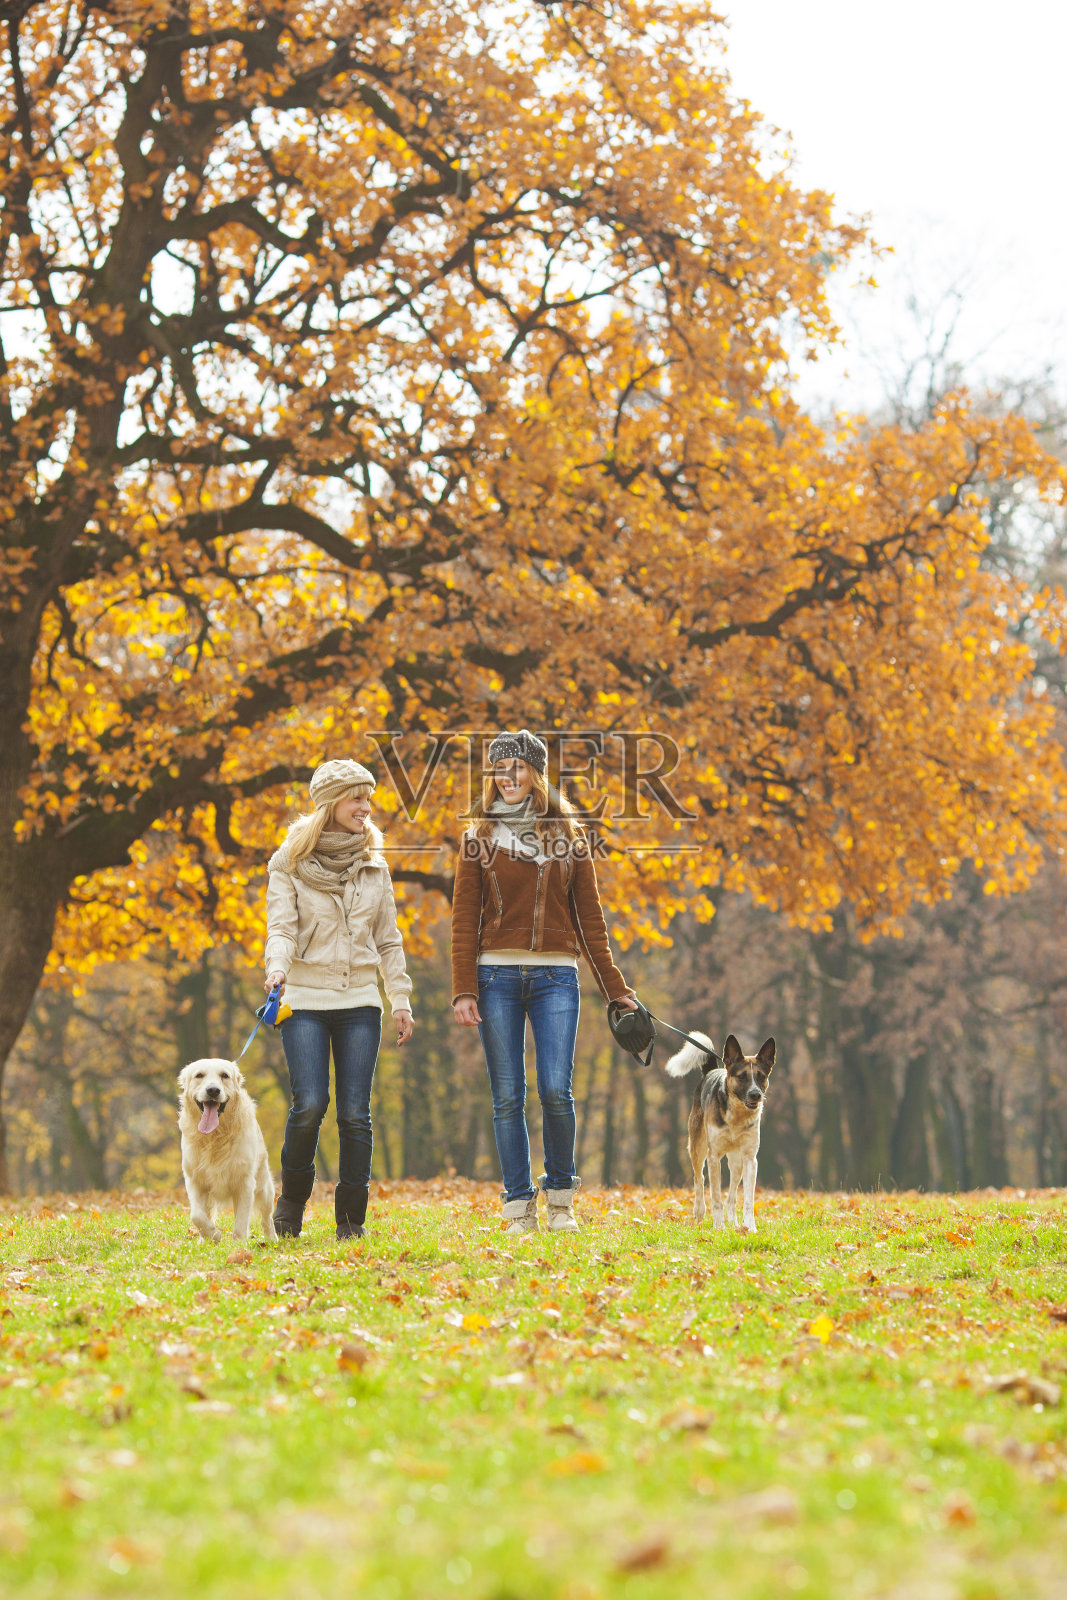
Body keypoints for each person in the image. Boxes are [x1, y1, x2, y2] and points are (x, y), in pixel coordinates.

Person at [451, 729, 637, 1234]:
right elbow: (464, 919)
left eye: (516, 768)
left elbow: (590, 921)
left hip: (558, 974)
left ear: (535, 774)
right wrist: (463, 987)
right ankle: (517, 1206)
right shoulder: (477, 840)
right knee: (507, 1094)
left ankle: (560, 1200)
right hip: (495, 977)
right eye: (499, 769)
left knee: (557, 1089)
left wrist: (615, 987)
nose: (507, 778)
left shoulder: (571, 840)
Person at [264, 759, 414, 1240]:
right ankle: (289, 1206)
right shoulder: (288, 862)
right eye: (357, 798)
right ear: (331, 803)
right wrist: (277, 968)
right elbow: (282, 927)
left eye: (368, 799)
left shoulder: (374, 865)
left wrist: (401, 1000)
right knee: (309, 1103)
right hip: (304, 997)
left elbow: (389, 940)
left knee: (355, 1112)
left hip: (360, 1001)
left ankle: (351, 1220)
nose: (366, 808)